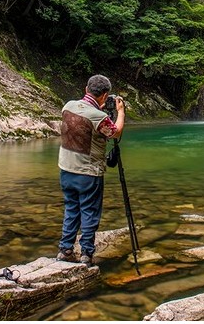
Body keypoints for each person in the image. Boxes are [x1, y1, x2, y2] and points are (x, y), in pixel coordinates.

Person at [56, 74, 125, 266]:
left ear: (86, 89)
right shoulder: (100, 117)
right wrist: (120, 112)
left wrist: (99, 108)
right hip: (88, 172)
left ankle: (65, 249)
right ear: (105, 95)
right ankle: (86, 253)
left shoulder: (68, 106)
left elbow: (84, 117)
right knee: (89, 211)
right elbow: (115, 132)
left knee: (71, 208)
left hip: (66, 168)